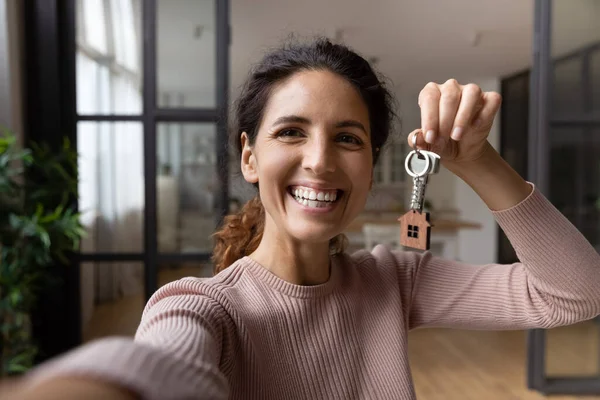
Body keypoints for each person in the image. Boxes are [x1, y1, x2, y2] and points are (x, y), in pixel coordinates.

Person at [3, 38, 600, 400]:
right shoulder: (202, 307)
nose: (319, 161)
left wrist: (479, 160)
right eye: (291, 131)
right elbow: (161, 370)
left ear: (369, 165)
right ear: (249, 156)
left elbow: (573, 294)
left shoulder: (396, 281)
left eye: (348, 138)